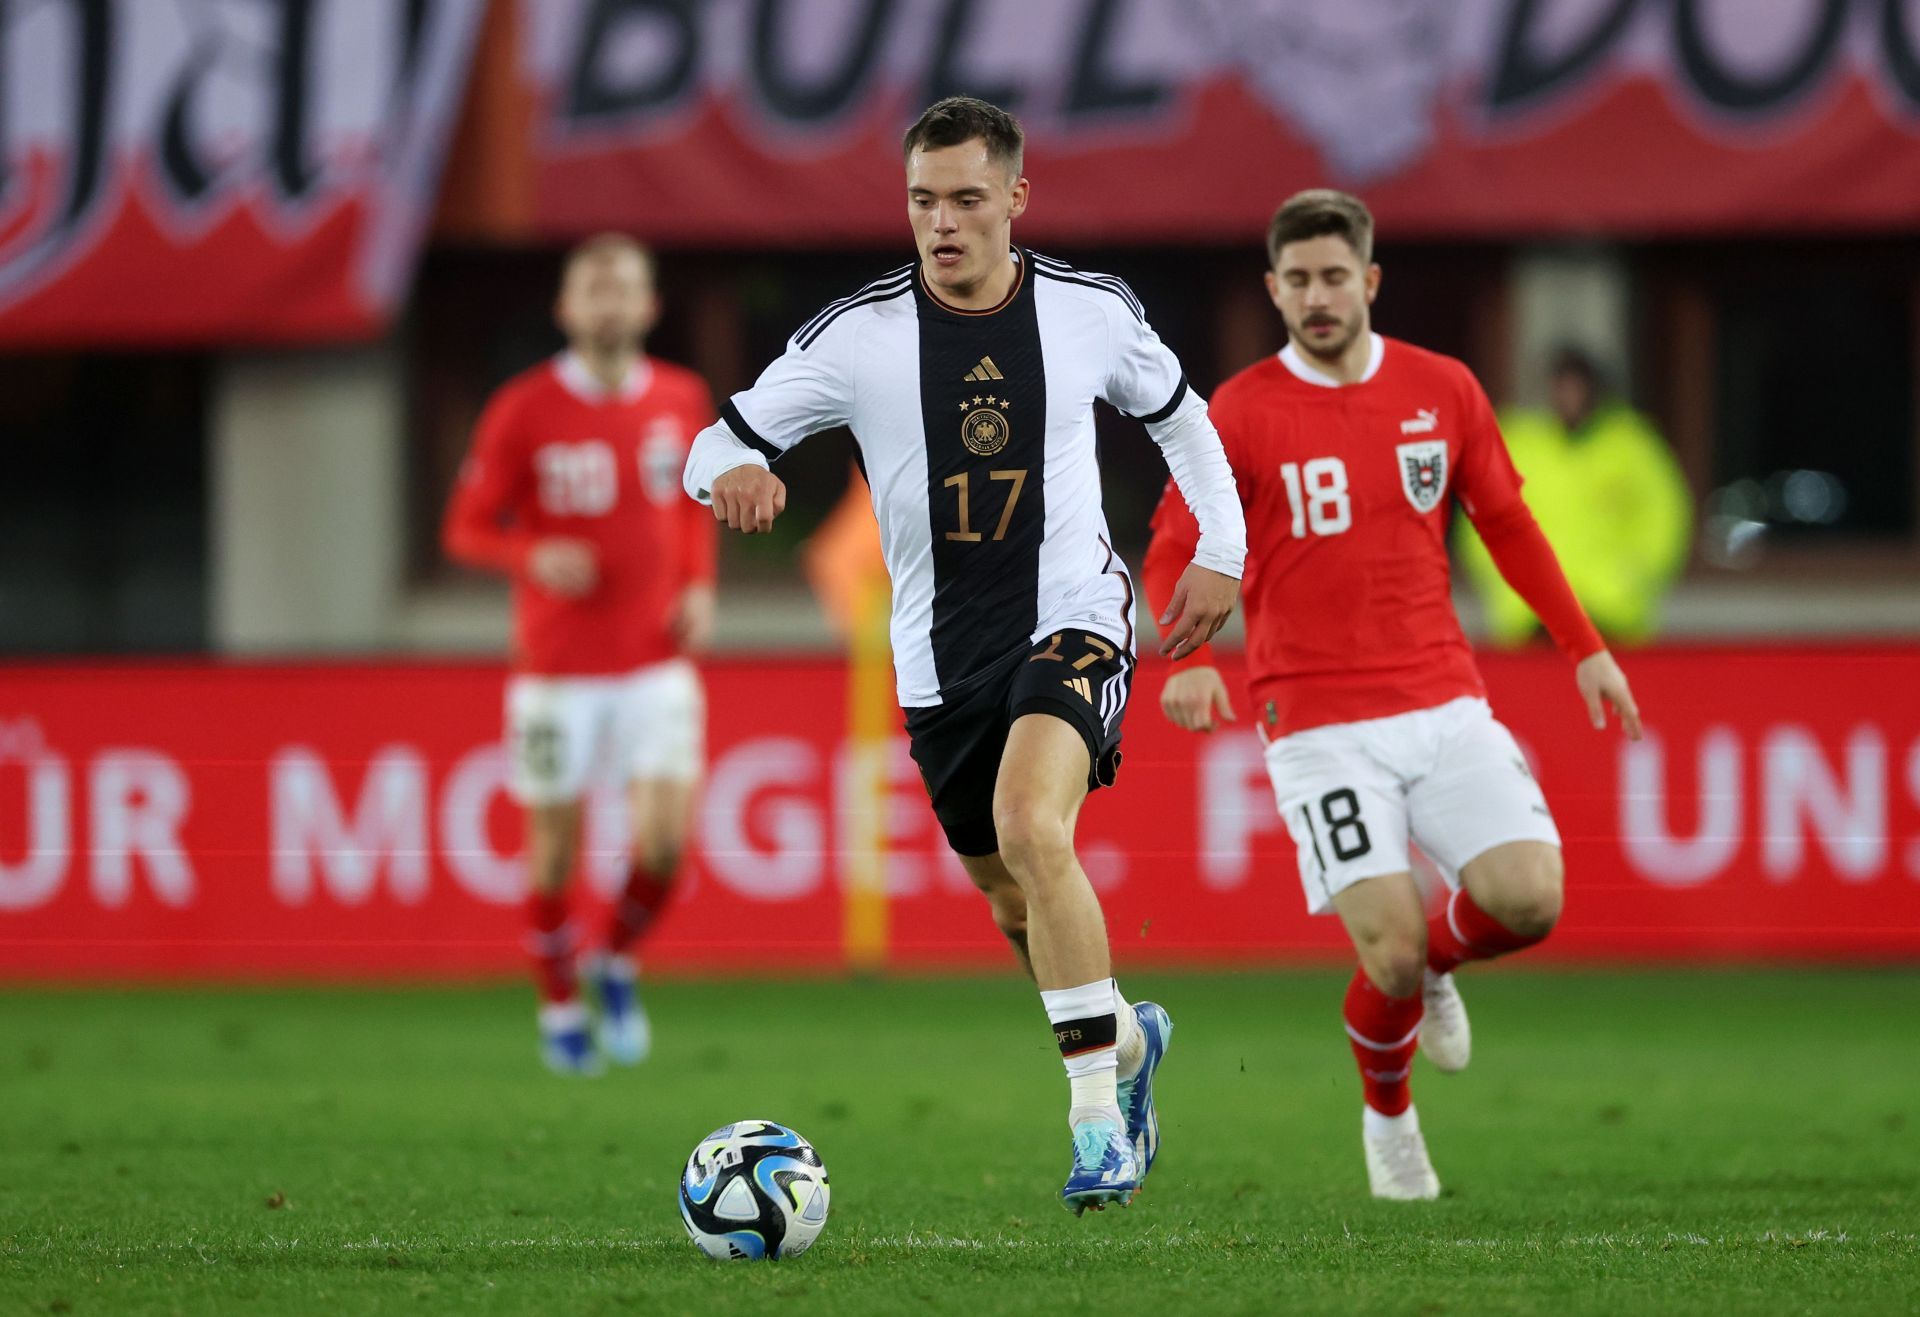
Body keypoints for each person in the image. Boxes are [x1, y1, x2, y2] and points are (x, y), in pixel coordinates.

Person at [682, 97, 1246, 1212]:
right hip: (940, 666)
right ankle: (1128, 1050)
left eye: (967, 201)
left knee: (1037, 827)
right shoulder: (857, 336)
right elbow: (718, 440)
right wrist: (726, 476)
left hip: (1074, 616)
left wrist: (1222, 550)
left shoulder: (1088, 312)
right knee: (1010, 898)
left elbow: (1182, 416)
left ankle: (1095, 1130)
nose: (942, 224)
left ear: (1016, 200)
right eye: (923, 202)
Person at [1142, 190, 1643, 1200]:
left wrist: (1583, 644)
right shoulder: (1235, 413)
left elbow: (1506, 524)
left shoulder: (1442, 389)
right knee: (1390, 950)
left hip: (1443, 699)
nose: (1317, 297)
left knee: (1529, 899)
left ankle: (1444, 967)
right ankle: (1390, 1121)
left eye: (1335, 277)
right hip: (1315, 721)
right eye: (1298, 281)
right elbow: (1170, 550)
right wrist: (1189, 660)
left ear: (1369, 281)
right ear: (1272, 290)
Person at [443, 233, 717, 1076]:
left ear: (648, 307)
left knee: (666, 844)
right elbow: (463, 527)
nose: (608, 302)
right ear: (566, 309)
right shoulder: (522, 408)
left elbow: (696, 504)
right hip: (557, 670)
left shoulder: (681, 396)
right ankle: (559, 1002)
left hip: (654, 660)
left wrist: (700, 584)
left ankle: (615, 958)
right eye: (591, 289)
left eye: (623, 288)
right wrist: (531, 554)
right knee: (554, 853)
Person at [1456, 345, 1693, 646]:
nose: (1571, 397)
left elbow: (1664, 516)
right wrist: (1504, 580)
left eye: (1578, 387)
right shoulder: (1518, 441)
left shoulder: (1631, 444)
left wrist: (1635, 574)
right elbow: (1480, 517)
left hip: (1611, 609)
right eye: (1563, 387)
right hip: (1530, 613)